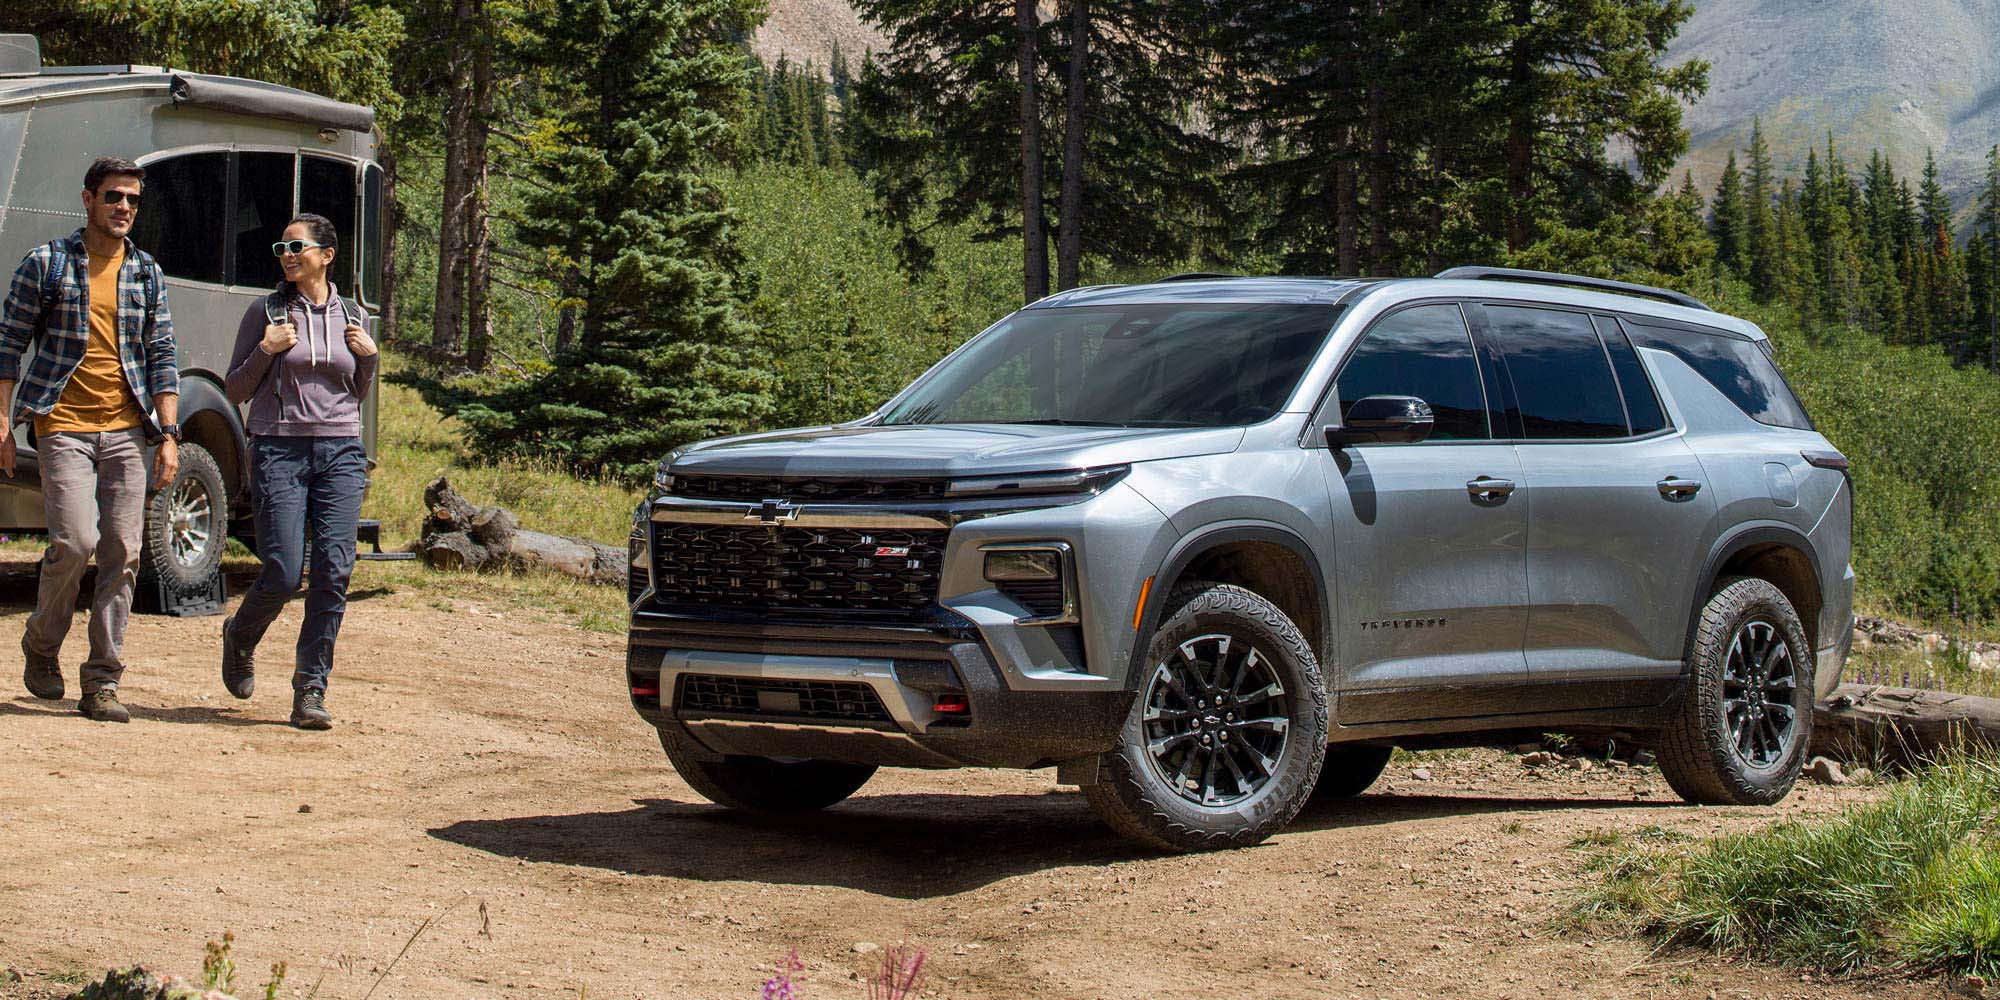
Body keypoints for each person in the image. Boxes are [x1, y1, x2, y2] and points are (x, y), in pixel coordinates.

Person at [0, 156, 182, 723]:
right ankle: (42, 643)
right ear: (88, 200)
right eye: (113, 197)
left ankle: (103, 679)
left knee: (123, 553)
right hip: (62, 425)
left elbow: (163, 358)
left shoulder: (147, 273)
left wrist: (170, 433)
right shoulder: (47, 264)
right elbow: (8, 345)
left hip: (128, 429)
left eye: (131, 199)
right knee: (77, 543)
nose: (123, 207)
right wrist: (1, 422)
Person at [220, 213, 377, 730]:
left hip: (340, 451)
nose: (287, 255)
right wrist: (266, 352)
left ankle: (311, 689)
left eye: (296, 246)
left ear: (327, 255)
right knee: (285, 572)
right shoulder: (264, 311)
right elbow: (235, 391)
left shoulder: (353, 314)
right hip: (278, 450)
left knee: (334, 571)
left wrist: (370, 360)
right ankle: (241, 635)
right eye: (281, 248)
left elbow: (354, 391)